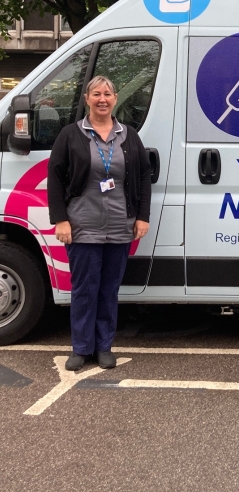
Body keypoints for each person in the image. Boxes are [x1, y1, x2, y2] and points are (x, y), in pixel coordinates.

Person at [48, 76, 151, 371]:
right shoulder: (71, 134)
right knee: (84, 289)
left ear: (116, 99)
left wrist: (142, 216)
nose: (102, 99)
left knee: (109, 290)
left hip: (120, 225)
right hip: (82, 225)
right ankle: (81, 348)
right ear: (87, 99)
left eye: (107, 93)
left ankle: (104, 347)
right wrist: (61, 220)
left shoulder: (128, 135)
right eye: (96, 94)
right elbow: (55, 178)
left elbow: (144, 176)